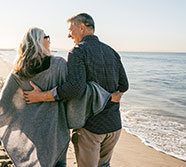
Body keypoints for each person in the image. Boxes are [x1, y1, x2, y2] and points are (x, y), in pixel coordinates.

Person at [0, 27, 121, 167]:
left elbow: (5, 102)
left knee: (40, 161)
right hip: (56, 126)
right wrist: (107, 96)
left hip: (32, 126)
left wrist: (23, 115)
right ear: (38, 41)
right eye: (46, 37)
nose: (49, 40)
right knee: (59, 163)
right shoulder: (59, 65)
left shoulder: (19, 70)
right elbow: (78, 90)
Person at [23, 13, 129, 167]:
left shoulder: (78, 51)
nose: (68, 35)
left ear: (82, 27)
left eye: (71, 30)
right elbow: (124, 85)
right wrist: (109, 96)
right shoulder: (111, 51)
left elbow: (74, 88)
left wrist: (42, 96)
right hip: (114, 126)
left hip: (91, 127)